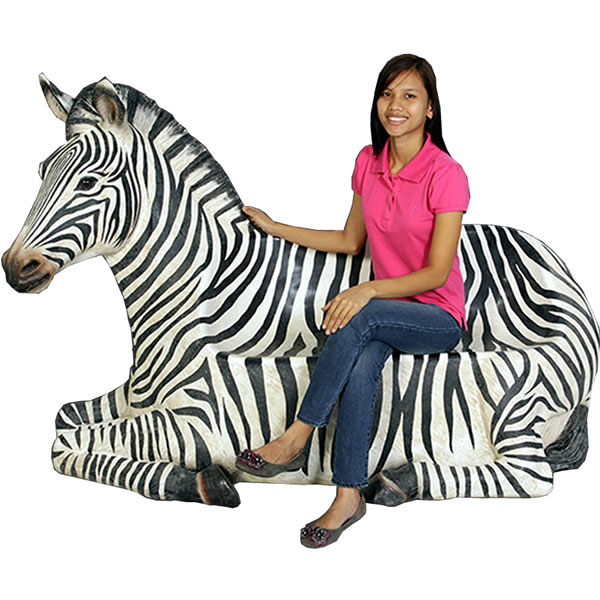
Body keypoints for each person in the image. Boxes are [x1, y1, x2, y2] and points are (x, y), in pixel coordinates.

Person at [236, 54, 470, 548]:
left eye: (410, 95)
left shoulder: (446, 173)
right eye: (387, 93)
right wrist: (275, 226)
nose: (395, 105)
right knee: (361, 367)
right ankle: (348, 496)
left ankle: (296, 437)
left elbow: (436, 272)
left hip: (436, 316)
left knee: (359, 316)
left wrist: (368, 289)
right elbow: (349, 240)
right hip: (385, 316)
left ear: (430, 108)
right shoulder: (369, 162)